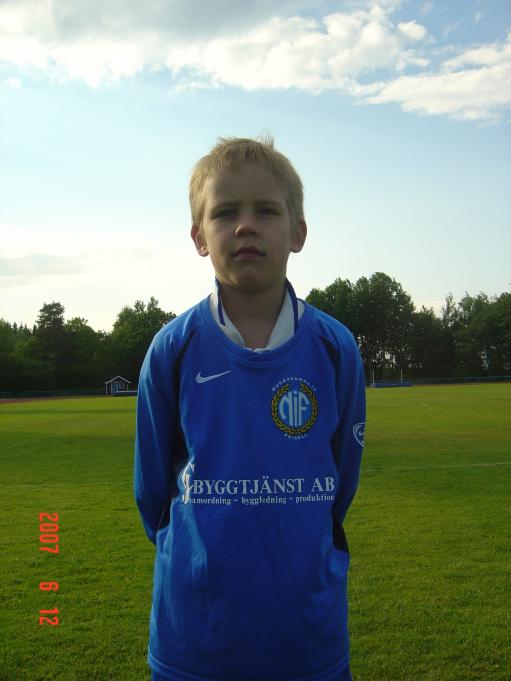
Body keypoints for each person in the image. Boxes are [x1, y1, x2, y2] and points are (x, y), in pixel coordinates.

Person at [134, 135, 366, 681]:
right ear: (199, 236)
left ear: (297, 232)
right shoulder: (172, 348)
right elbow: (152, 492)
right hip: (194, 639)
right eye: (225, 213)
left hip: (307, 638)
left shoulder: (335, 347)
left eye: (265, 210)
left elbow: (341, 480)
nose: (245, 226)